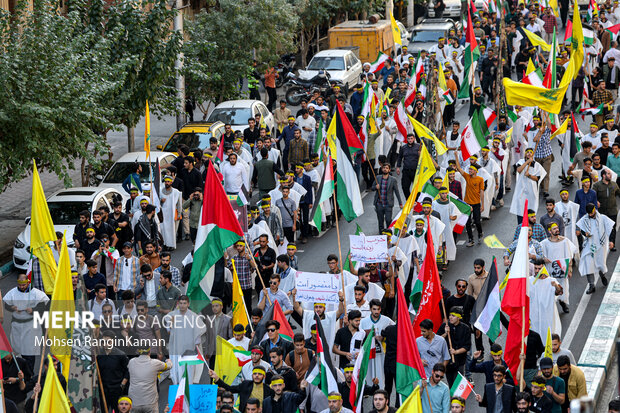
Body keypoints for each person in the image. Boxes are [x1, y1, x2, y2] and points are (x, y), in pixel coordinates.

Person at [3, 273, 49, 371]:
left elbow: (43, 306)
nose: (21, 287)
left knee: (30, 352)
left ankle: (30, 373)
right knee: (18, 351)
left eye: (23, 285)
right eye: (20, 285)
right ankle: (21, 374)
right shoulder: (13, 292)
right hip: (17, 326)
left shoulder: (36, 293)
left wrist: (33, 310)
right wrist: (12, 307)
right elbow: (6, 305)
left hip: (31, 326)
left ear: (28, 283)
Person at [576, 203, 614, 294]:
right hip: (589, 245)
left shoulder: (603, 218)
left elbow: (611, 229)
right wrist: (585, 234)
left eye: (591, 212)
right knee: (588, 264)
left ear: (594, 209)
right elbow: (581, 230)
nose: (590, 215)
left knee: (600, 264)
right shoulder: (585, 219)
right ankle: (591, 285)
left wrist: (611, 241)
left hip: (601, 245)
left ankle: (602, 275)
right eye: (588, 213)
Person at [128, 345, 171, 413]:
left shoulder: (131, 362)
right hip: (150, 403)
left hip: (134, 402)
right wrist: (168, 360)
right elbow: (169, 366)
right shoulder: (155, 363)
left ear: (138, 352)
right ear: (149, 352)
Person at [453, 154, 484, 245]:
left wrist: (483, 205)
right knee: (467, 222)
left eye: (471, 169)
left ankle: (480, 233)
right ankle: (471, 240)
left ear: (475, 171)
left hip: (477, 203)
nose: (469, 171)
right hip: (467, 204)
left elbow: (482, 192)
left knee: (477, 221)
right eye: (469, 169)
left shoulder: (480, 179)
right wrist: (456, 156)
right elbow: (459, 168)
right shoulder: (467, 177)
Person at [97, 330, 130, 413]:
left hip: (117, 389)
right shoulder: (98, 355)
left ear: (113, 341)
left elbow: (128, 370)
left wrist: (123, 384)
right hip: (103, 389)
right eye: (104, 341)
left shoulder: (121, 355)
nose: (105, 344)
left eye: (108, 341)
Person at [374, 163, 403, 233]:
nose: (385, 169)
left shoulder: (393, 180)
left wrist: (400, 203)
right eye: (384, 168)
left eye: (387, 168)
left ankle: (389, 235)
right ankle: (381, 236)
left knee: (388, 220)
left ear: (389, 170)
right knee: (380, 221)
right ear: (382, 169)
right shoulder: (378, 178)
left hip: (388, 204)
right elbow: (372, 188)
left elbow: (397, 192)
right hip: (379, 204)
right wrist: (375, 187)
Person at [160, 175, 183, 251]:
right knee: (163, 229)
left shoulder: (176, 192)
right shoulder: (160, 191)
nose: (167, 183)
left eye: (168, 181)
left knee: (172, 230)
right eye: (166, 181)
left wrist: (179, 214)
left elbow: (179, 204)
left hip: (172, 215)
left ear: (171, 182)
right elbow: (157, 203)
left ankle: (171, 245)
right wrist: (161, 201)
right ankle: (165, 244)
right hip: (163, 215)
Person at [396, 134, 421, 199]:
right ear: (407, 139)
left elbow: (425, 157)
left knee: (417, 188)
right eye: (409, 139)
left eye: (411, 138)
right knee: (405, 187)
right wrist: (398, 167)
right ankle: (409, 200)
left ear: (414, 139)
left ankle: (416, 200)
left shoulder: (419, 147)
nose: (410, 140)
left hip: (416, 171)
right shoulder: (403, 148)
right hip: (406, 170)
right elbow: (400, 157)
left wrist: (420, 154)